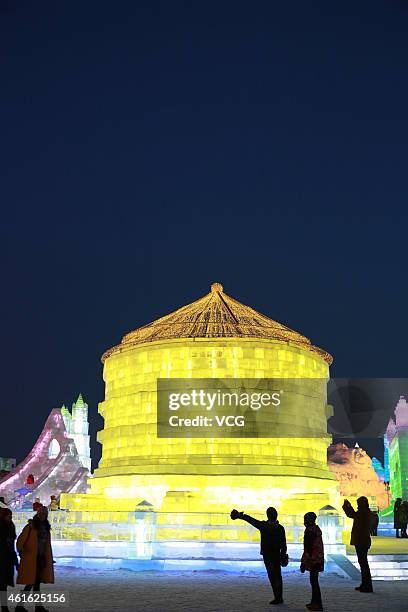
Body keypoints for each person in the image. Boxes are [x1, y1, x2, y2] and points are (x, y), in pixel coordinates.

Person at [231, 507, 286, 605]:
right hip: (276, 554)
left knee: (273, 576)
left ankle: (278, 597)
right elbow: (283, 544)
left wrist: (240, 516)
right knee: (277, 576)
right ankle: (279, 597)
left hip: (268, 555)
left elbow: (251, 520)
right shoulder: (280, 528)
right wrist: (283, 554)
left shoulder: (264, 525)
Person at [15, 506, 54, 612]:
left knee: (35, 583)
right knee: (32, 582)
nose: (43, 516)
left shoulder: (45, 527)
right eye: (41, 514)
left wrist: (48, 558)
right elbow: (20, 540)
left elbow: (46, 545)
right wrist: (21, 552)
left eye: (45, 514)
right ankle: (25, 606)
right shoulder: (30, 526)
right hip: (31, 558)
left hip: (40, 558)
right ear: (37, 514)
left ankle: (31, 606)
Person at [342, 497, 373, 593]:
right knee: (363, 563)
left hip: (361, 541)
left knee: (363, 564)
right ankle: (365, 584)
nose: (358, 505)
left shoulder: (362, 513)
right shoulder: (366, 512)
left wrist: (347, 506)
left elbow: (352, 514)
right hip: (363, 540)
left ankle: (367, 586)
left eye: (358, 503)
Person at [300, 512, 324, 611]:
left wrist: (303, 562)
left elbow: (308, 549)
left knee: (314, 582)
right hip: (318, 558)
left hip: (313, 560)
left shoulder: (310, 532)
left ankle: (317, 603)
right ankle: (315, 602)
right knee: (314, 581)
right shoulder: (316, 530)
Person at [0, 508, 18, 612]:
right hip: (2, 558)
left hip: (8, 558)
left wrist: (15, 560)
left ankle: (4, 606)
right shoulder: (3, 526)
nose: (10, 517)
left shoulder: (11, 526)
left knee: (3, 585)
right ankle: (4, 607)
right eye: (8, 515)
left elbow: (11, 545)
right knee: (2, 584)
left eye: (10, 515)